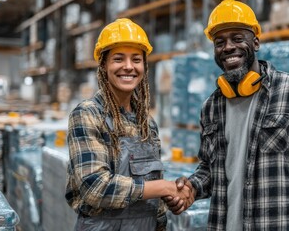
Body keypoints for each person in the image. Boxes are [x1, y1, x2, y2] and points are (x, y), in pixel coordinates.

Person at [164, 0, 289, 230]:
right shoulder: (211, 107)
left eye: (237, 38)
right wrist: (192, 188)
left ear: (255, 42)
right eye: (220, 42)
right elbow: (209, 168)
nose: (228, 47)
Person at [65, 18, 193, 231]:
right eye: (118, 59)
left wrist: (170, 198)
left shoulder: (147, 124)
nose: (128, 67)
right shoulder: (88, 114)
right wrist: (162, 187)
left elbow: (152, 191)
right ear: (104, 65)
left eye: (136, 59)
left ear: (144, 66)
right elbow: (95, 187)